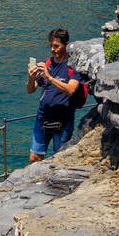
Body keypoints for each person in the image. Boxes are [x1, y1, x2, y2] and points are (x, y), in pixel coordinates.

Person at [27, 28, 81, 162]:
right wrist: (32, 78)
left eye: (56, 46)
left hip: (62, 122)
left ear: (66, 45)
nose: (52, 49)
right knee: (34, 157)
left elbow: (71, 90)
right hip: (42, 118)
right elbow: (30, 90)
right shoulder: (48, 64)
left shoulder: (73, 66)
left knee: (59, 160)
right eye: (50, 45)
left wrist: (49, 78)